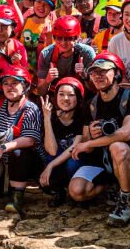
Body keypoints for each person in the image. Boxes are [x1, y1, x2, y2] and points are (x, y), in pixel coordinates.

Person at [70, 52, 130, 226]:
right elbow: (86, 146)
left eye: (104, 71)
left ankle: (127, 200)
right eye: (94, 72)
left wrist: (90, 142)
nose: (98, 76)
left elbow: (127, 133)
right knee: (76, 191)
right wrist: (91, 133)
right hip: (103, 161)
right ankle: (113, 187)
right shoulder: (91, 104)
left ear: (117, 73)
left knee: (118, 147)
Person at [0, 66, 44, 218]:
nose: (9, 87)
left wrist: (4, 147)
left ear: (24, 86)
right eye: (6, 83)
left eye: (15, 83)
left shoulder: (31, 109)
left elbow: (30, 139)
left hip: (21, 163)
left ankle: (17, 197)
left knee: (20, 152)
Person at [39, 77, 93, 207]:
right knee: (49, 157)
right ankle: (59, 191)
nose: (66, 99)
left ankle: (77, 190)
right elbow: (51, 150)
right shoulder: (50, 115)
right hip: (56, 157)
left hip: (74, 157)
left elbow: (75, 147)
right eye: (61, 94)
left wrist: (50, 166)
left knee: (72, 163)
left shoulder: (82, 116)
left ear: (78, 98)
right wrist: (47, 119)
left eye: (71, 95)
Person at [37, 15, 95, 96]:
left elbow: (95, 89)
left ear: (77, 38)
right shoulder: (46, 54)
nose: (63, 43)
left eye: (68, 38)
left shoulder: (86, 53)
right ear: (54, 37)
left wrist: (85, 76)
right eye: (59, 38)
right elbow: (40, 92)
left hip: (81, 97)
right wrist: (47, 80)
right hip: (56, 97)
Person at [21, 0, 58, 74]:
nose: (41, 6)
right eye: (38, 2)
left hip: (41, 73)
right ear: (33, 3)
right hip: (22, 71)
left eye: (46, 4)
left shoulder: (53, 26)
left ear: (51, 8)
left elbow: (52, 56)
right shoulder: (26, 21)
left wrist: (49, 37)